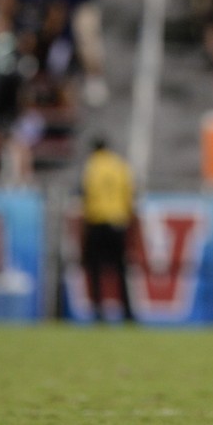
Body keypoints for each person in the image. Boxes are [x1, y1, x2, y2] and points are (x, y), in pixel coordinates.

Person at [80, 135, 136, 322]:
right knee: (121, 270)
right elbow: (129, 194)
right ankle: (127, 312)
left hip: (97, 222)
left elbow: (87, 192)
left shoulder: (92, 165)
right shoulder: (120, 165)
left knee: (95, 269)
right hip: (118, 222)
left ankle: (98, 311)